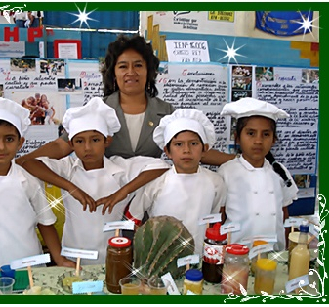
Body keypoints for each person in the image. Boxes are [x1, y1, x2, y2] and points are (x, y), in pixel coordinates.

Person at [16, 34, 233, 210]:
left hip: (153, 199)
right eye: (123, 66)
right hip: (105, 199)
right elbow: (61, 146)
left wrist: (236, 161)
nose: (131, 72)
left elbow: (192, 147)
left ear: (149, 71)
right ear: (113, 73)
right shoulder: (98, 111)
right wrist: (16, 161)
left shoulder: (165, 111)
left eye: (138, 65)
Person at [22, 97, 169, 265]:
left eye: (95, 140)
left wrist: (121, 193)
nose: (87, 148)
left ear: (107, 141)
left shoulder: (120, 168)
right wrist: (71, 188)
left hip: (113, 256)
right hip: (73, 256)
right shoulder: (68, 169)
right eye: (79, 141)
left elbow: (161, 165)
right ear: (71, 144)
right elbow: (29, 163)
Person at [0, 95, 75, 281]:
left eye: (9, 139)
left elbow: (46, 223)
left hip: (29, 267)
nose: (1, 147)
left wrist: (58, 259)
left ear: (20, 142)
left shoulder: (28, 180)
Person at [125, 109, 227, 255]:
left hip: (200, 257)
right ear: (167, 151)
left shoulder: (216, 182)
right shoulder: (156, 183)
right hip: (160, 258)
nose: (186, 150)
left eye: (193, 143)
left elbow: (217, 219)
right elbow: (134, 218)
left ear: (204, 148)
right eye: (178, 144)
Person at [217, 98, 298, 251]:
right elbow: (220, 216)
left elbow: (284, 213)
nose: (258, 141)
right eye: (251, 133)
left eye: (265, 134)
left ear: (273, 139)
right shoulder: (226, 171)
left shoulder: (280, 171)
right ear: (237, 138)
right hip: (236, 254)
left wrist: (287, 249)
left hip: (274, 253)